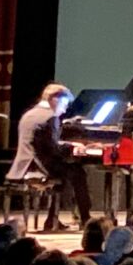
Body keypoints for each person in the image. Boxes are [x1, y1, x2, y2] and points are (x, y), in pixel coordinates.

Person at [7, 82, 91, 231]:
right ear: (54, 99)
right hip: (39, 165)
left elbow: (45, 143)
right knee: (78, 172)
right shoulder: (50, 117)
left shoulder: (29, 114)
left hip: (24, 165)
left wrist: (66, 146)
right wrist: (73, 147)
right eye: (64, 104)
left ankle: (52, 219)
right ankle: (86, 219)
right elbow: (54, 149)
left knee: (65, 175)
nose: (65, 109)